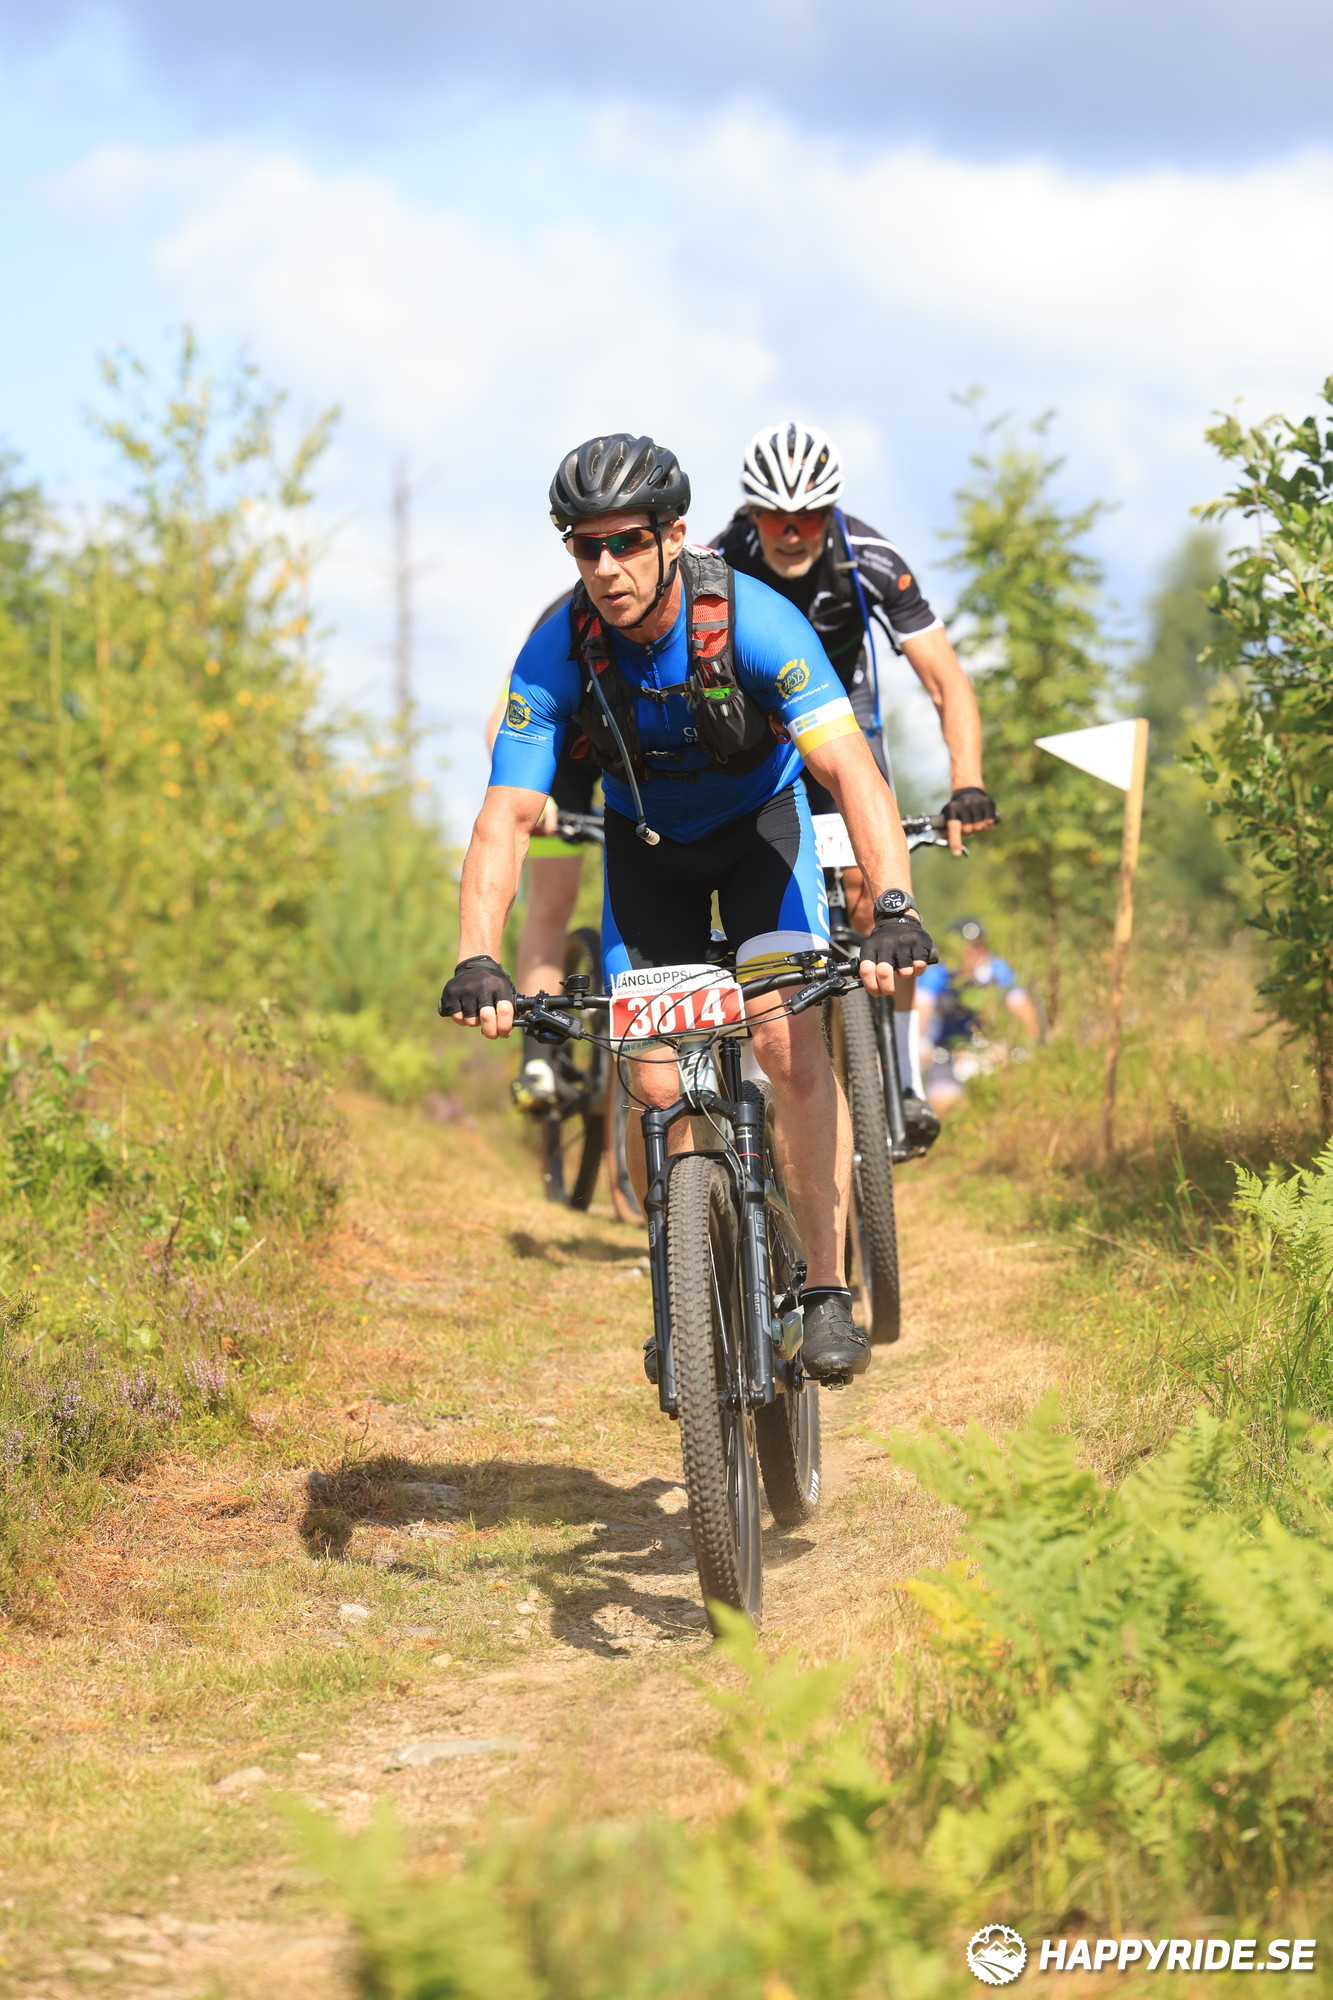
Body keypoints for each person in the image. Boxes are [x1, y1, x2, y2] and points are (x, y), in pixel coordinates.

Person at [439, 433, 936, 1385]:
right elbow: (505, 817)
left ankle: (824, 1288)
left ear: (673, 536)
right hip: (648, 855)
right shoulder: (556, 651)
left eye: (626, 541)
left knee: (784, 1039)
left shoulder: (757, 622)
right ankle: (689, 1282)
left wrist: (892, 906)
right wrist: (476, 957)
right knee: (655, 1085)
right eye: (584, 547)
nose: (605, 567)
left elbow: (850, 772)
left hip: (762, 839)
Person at [712, 421, 997, 1151]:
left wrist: (967, 782)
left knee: (878, 891)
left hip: (845, 724)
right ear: (750, 513)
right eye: (774, 516)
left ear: (830, 511)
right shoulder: (719, 563)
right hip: (761, 738)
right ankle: (756, 1075)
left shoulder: (870, 558)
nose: (791, 532)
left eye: (808, 516)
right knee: (756, 893)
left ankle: (899, 1076)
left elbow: (946, 680)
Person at [484, 594, 599, 1110]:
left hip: (637, 758)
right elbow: (499, 724)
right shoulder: (559, 625)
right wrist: (541, 799)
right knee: (552, 902)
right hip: (561, 761)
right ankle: (538, 1058)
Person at [917, 918, 1041, 1109]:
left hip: (989, 1051)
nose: (973, 954)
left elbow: (1023, 1011)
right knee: (945, 1102)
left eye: (978, 947)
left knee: (1017, 1097)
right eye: (966, 948)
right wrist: (921, 1044)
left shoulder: (997, 971)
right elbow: (920, 1009)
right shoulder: (937, 974)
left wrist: (1027, 1047)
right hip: (947, 1054)